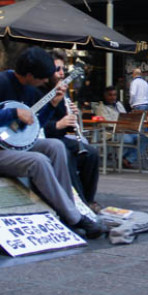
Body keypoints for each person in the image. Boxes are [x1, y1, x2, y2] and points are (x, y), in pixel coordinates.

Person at [0, 46, 105, 239]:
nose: (45, 81)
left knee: (56, 146)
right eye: (42, 78)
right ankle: (74, 218)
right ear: (30, 75)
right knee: (38, 161)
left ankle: (68, 208)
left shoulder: (30, 89)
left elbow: (34, 123)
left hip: (14, 144)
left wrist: (53, 104)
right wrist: (13, 113)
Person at [45, 51, 102, 212]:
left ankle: (89, 199)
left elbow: (66, 125)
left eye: (63, 69)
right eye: (57, 69)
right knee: (67, 156)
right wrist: (59, 124)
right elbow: (37, 124)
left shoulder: (63, 90)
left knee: (91, 154)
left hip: (59, 137)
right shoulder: (40, 91)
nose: (62, 73)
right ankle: (78, 203)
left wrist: (71, 116)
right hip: (46, 139)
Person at [97, 85, 144, 168]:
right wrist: (120, 125)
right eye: (110, 95)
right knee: (128, 139)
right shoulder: (101, 108)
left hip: (126, 130)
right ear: (105, 96)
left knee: (143, 138)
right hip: (111, 133)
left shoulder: (118, 104)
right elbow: (106, 124)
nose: (113, 97)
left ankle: (127, 159)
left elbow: (125, 116)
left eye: (114, 95)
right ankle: (121, 158)